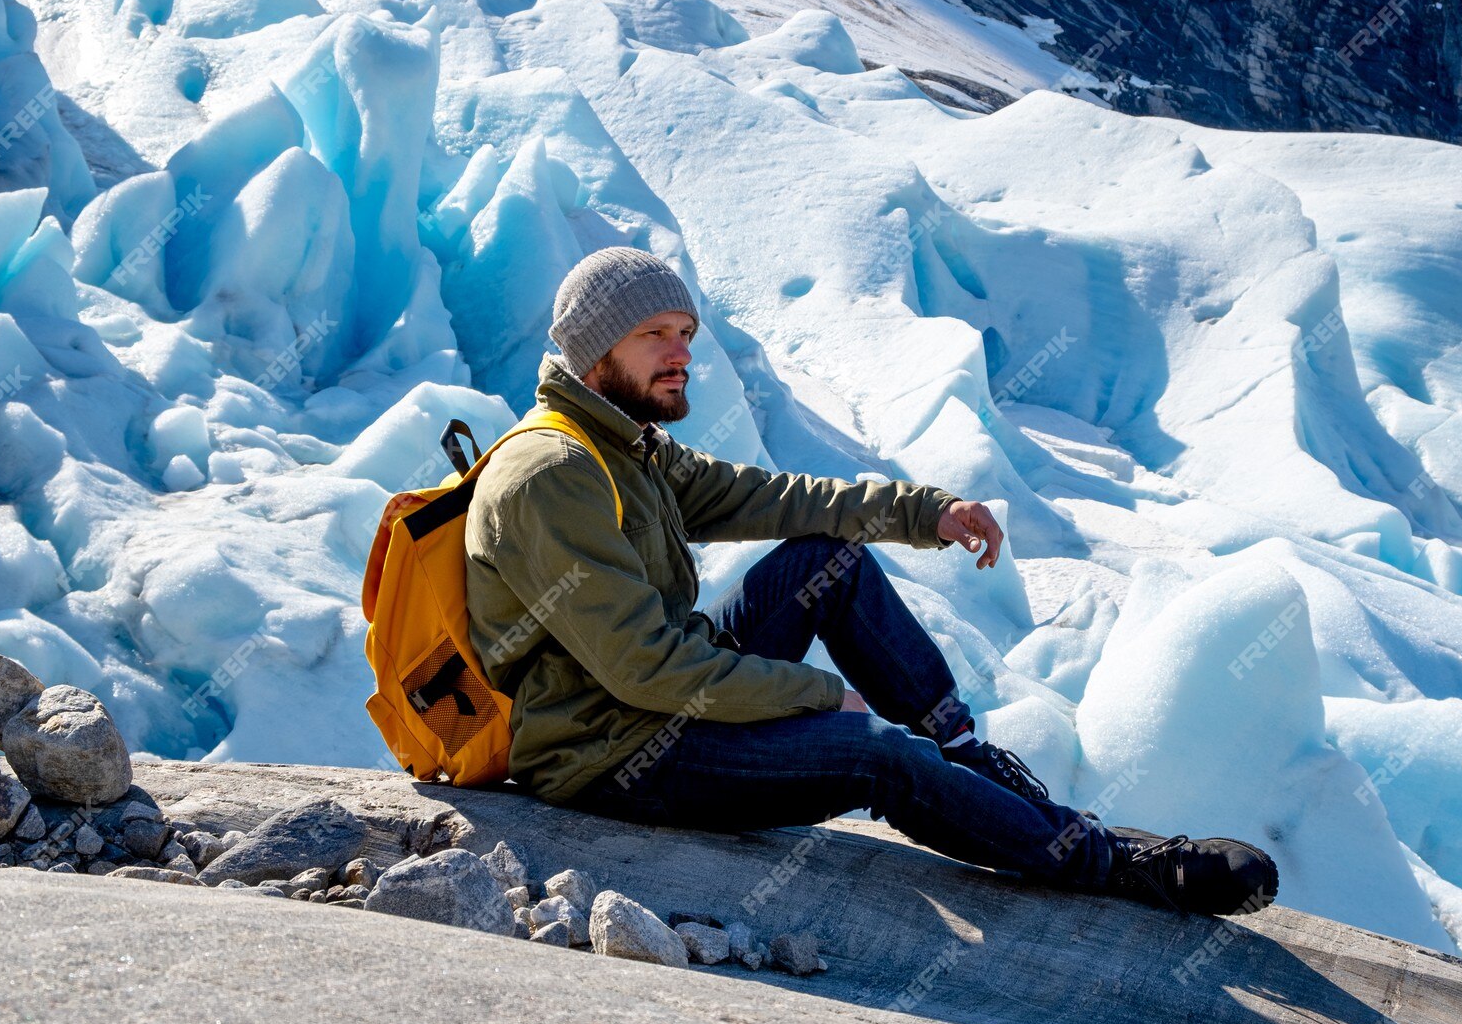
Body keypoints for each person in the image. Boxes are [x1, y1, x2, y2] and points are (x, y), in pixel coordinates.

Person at [464, 247, 1278, 916]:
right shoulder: (554, 473)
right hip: (617, 754)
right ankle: (1108, 864)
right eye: (655, 336)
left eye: (685, 331)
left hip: (652, 708)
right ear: (595, 351)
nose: (682, 354)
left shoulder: (623, 443)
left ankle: (969, 759)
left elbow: (775, 498)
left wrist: (925, 513)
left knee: (827, 561)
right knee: (877, 756)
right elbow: (645, 667)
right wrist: (816, 696)